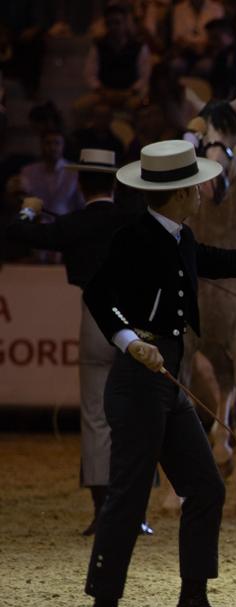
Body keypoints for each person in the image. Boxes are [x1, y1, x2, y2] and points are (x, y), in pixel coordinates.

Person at [80, 140, 236, 607]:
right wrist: (128, 341)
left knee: (205, 488)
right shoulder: (132, 237)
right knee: (128, 497)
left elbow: (215, 260)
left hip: (168, 381)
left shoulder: (181, 237)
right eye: (196, 186)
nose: (204, 192)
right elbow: (99, 295)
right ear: (180, 193)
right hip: (139, 380)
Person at [2, 149, 152, 536]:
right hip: (135, 323)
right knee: (137, 418)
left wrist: (30, 208)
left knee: (96, 417)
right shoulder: (135, 220)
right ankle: (135, 514)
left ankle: (104, 512)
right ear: (115, 184)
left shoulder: (74, 224)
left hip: (94, 321)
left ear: (82, 183)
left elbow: (19, 231)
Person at [21, 129, 84, 217]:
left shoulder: (75, 171)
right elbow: (25, 203)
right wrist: (27, 223)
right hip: (37, 224)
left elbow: (80, 203)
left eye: (57, 143)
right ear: (41, 145)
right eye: (48, 143)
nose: (52, 147)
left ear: (63, 145)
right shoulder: (28, 171)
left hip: (67, 225)